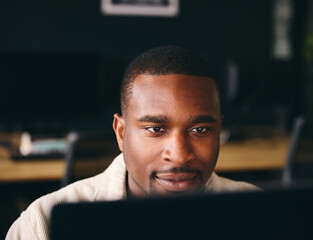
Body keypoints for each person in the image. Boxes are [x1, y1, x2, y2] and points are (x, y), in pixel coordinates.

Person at [6, 46, 259, 239]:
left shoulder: (261, 212)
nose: (180, 155)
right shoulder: (43, 225)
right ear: (121, 133)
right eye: (155, 128)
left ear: (219, 132)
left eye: (200, 129)